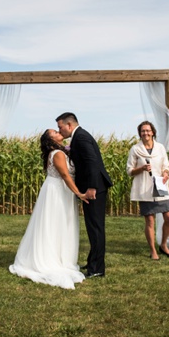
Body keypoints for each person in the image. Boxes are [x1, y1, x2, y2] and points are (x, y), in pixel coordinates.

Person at [9, 130, 89, 289]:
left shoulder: (55, 152)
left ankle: (57, 256)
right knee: (56, 223)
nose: (59, 132)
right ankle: (53, 258)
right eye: (55, 132)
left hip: (55, 189)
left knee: (53, 223)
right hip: (58, 191)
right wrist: (79, 193)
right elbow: (66, 176)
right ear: (50, 140)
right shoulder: (58, 153)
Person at [56, 112, 113, 278]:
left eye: (60, 127)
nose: (60, 131)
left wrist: (92, 187)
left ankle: (97, 269)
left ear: (69, 125)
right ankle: (92, 262)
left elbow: (92, 162)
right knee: (92, 227)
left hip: (94, 189)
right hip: (92, 187)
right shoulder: (79, 136)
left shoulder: (80, 137)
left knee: (96, 228)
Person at [126, 121, 169, 260]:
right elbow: (129, 171)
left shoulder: (160, 148)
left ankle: (164, 244)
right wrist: (141, 169)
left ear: (153, 132)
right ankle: (153, 250)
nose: (145, 133)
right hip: (145, 189)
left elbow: (166, 165)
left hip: (160, 186)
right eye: (143, 131)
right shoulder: (135, 149)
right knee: (150, 221)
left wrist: (166, 173)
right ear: (140, 133)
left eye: (148, 130)